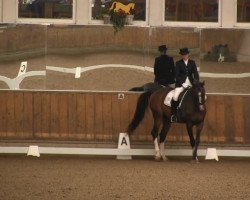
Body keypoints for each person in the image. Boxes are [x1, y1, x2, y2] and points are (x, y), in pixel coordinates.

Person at [171, 47, 200, 122]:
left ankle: (199, 110)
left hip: (191, 83)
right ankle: (174, 115)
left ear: (188, 54)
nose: (184, 56)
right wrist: (182, 84)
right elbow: (177, 75)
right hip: (181, 84)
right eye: (183, 55)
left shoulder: (192, 62)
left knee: (199, 94)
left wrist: (196, 82)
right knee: (175, 96)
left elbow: (196, 74)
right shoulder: (178, 63)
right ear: (181, 55)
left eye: (186, 54)